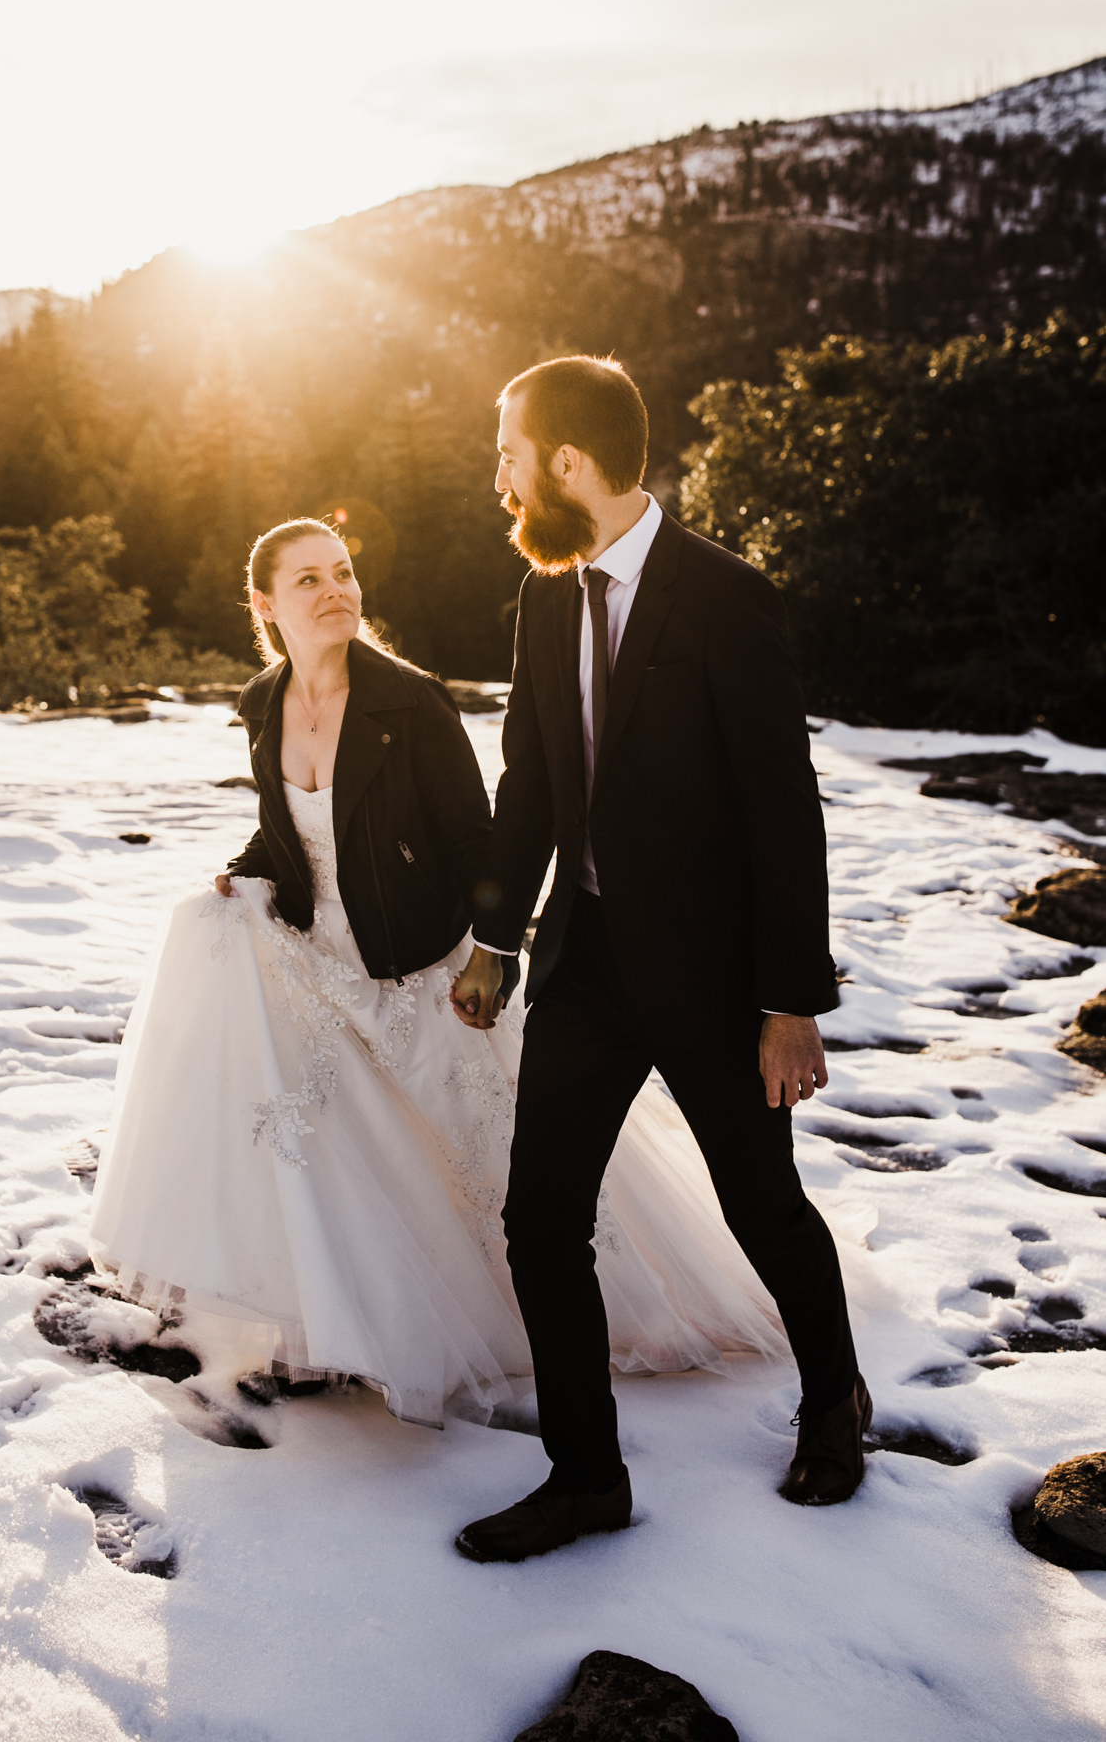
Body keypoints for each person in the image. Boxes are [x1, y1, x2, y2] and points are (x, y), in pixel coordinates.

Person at [89, 516, 795, 1430]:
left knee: (480, 1156)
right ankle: (356, 1327)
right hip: (317, 960)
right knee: (339, 1150)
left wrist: (488, 955)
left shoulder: (409, 702)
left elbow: (477, 837)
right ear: (266, 606)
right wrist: (246, 869)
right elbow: (288, 827)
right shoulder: (264, 700)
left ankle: (573, 1315)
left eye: (342, 571)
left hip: (421, 959)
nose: (335, 590)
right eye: (307, 580)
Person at [450, 355, 867, 1565]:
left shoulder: (728, 598)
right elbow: (530, 783)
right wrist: (492, 934)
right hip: (584, 966)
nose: (500, 479)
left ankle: (835, 1396)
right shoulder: (540, 596)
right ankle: (585, 1477)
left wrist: (792, 1000)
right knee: (539, 1221)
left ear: (566, 464)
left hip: (718, 984)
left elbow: (785, 812)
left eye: (510, 455)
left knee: (763, 1209)